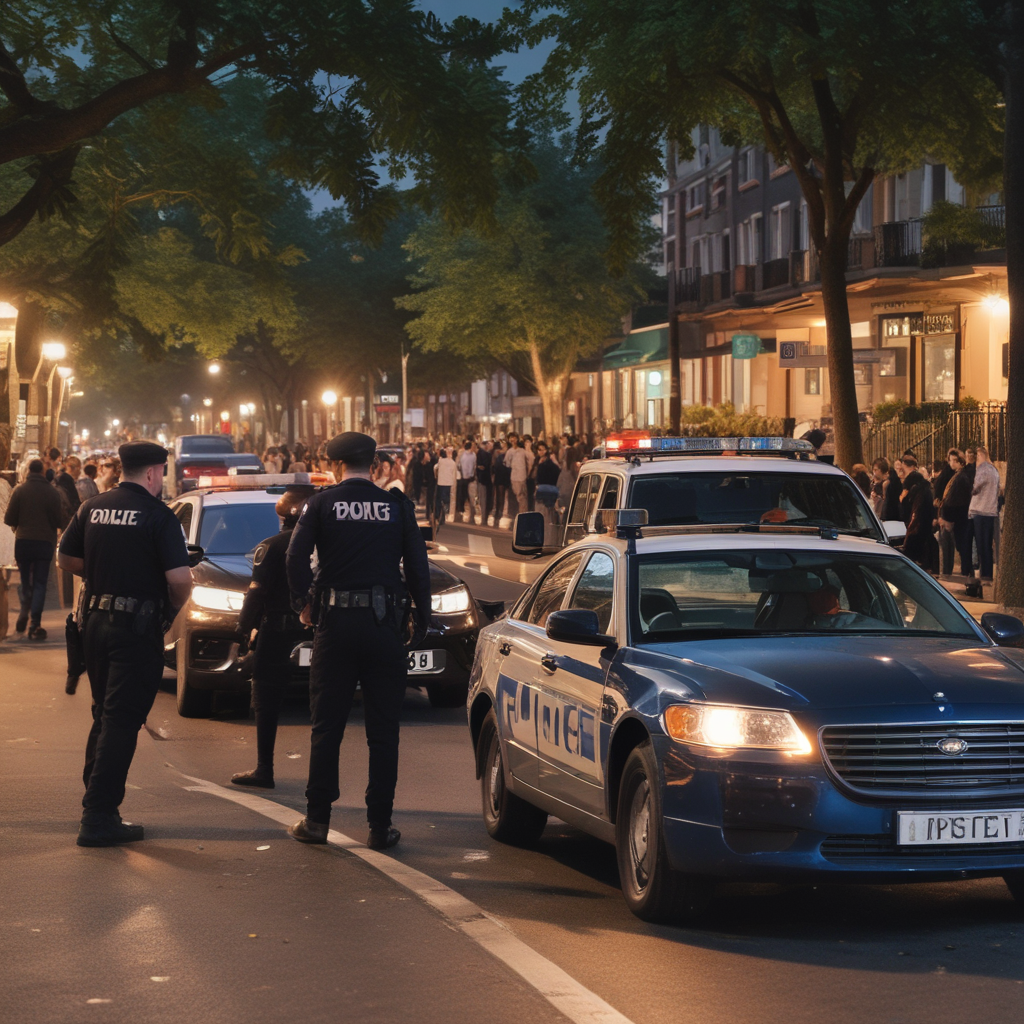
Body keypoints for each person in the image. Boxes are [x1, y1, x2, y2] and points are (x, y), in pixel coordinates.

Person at [285, 432, 431, 849]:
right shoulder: (396, 506)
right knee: (383, 730)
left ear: (334, 466)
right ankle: (379, 826)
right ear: (377, 466)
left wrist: (303, 603)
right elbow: (418, 566)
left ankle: (316, 821)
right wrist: (421, 617)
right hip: (384, 625)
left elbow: (295, 557)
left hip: (334, 625)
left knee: (327, 724)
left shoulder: (322, 504)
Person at [57, 442, 193, 846]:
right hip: (135, 628)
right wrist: (167, 612)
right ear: (153, 473)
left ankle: (98, 806)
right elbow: (181, 580)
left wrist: (102, 571)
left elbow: (66, 559)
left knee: (105, 715)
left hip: (95, 625)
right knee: (121, 720)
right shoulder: (158, 516)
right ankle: (97, 817)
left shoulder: (92, 507)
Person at [231, 486, 315, 789]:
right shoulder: (327, 544)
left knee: (266, 700)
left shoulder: (273, 545)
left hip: (278, 632)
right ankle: (319, 777)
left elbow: (257, 592)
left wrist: (242, 629)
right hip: (322, 632)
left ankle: (264, 768)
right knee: (323, 703)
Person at [4, 458, 66, 639]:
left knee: (25, 580)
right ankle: (34, 624)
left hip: (23, 542)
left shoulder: (19, 490)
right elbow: (59, 520)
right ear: (42, 472)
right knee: (40, 583)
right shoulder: (52, 492)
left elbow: (9, 519)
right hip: (44, 543)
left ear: (29, 471)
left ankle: (24, 611)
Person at [939, 452, 973, 578]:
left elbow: (954, 500)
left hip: (959, 519)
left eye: (954, 460)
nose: (951, 463)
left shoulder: (960, 478)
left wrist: (948, 518)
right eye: (950, 460)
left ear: (960, 462)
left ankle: (967, 575)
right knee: (961, 548)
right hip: (959, 517)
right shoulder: (959, 476)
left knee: (962, 548)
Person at [969, 446, 1000, 582]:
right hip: (991, 511)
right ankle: (987, 574)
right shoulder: (994, 470)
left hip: (980, 511)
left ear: (979, 456)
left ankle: (985, 575)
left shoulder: (982, 469)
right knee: (987, 544)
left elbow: (974, 487)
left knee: (981, 545)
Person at [534, 441, 561, 524]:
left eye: (543, 449)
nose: (541, 451)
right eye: (539, 450)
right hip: (544, 489)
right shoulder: (537, 460)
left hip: (547, 490)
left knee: (546, 513)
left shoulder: (550, 462)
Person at [507, 434, 528, 520]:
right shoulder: (509, 452)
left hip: (522, 476)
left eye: (514, 439)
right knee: (518, 497)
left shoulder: (522, 451)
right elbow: (507, 463)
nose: (513, 441)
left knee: (522, 497)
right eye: (511, 440)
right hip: (514, 477)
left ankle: (522, 515)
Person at [434, 446, 457, 523]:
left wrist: (436, 476)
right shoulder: (453, 463)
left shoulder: (440, 461)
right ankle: (444, 514)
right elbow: (454, 475)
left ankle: (438, 515)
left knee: (439, 500)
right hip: (449, 484)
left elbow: (435, 468)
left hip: (440, 483)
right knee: (446, 500)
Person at [456, 440, 477, 523]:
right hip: (464, 479)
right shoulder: (463, 454)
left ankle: (471, 516)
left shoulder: (473, 455)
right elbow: (459, 465)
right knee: (463, 497)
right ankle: (461, 514)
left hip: (469, 479)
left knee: (471, 498)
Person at [476, 440, 493, 527]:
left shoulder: (486, 454)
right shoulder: (484, 454)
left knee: (484, 500)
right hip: (485, 480)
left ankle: (484, 519)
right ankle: (484, 519)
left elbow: (483, 466)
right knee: (485, 500)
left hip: (484, 480)